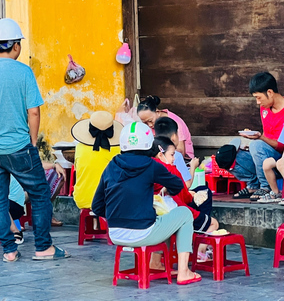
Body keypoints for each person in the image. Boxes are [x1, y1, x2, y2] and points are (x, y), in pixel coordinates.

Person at [0, 18, 69, 262]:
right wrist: (33, 142)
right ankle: (44, 247)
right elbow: (33, 112)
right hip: (20, 147)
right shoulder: (23, 72)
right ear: (15, 46)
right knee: (40, 194)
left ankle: (9, 251)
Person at [92, 122, 202, 285]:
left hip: (115, 233)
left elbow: (97, 206)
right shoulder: (151, 165)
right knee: (184, 214)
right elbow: (178, 185)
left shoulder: (112, 165)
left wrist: (119, 217)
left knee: (161, 218)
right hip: (144, 232)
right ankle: (184, 271)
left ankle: (157, 264)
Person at [153, 136, 219, 262]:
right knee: (213, 222)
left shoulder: (146, 167)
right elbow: (185, 195)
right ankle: (200, 251)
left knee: (200, 191)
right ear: (160, 155)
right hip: (177, 211)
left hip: (154, 214)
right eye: (172, 155)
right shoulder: (170, 170)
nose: (173, 159)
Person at [230, 72, 284, 202]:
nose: (258, 102)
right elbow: (267, 136)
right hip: (265, 155)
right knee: (228, 153)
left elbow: (283, 145)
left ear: (270, 92)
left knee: (256, 145)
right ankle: (253, 185)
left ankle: (265, 187)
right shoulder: (265, 109)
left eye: (259, 97)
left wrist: (260, 138)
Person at [70, 111, 122, 209]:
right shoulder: (118, 149)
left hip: (83, 199)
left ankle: (95, 223)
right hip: (111, 199)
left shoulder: (80, 148)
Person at [137, 95, 195, 159]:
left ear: (157, 112)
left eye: (150, 121)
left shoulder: (175, 123)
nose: (149, 125)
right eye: (145, 123)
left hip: (181, 159)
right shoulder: (150, 125)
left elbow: (181, 152)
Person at [154, 117, 198, 187]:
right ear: (174, 137)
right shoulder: (176, 155)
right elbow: (186, 185)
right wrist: (193, 166)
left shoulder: (152, 152)